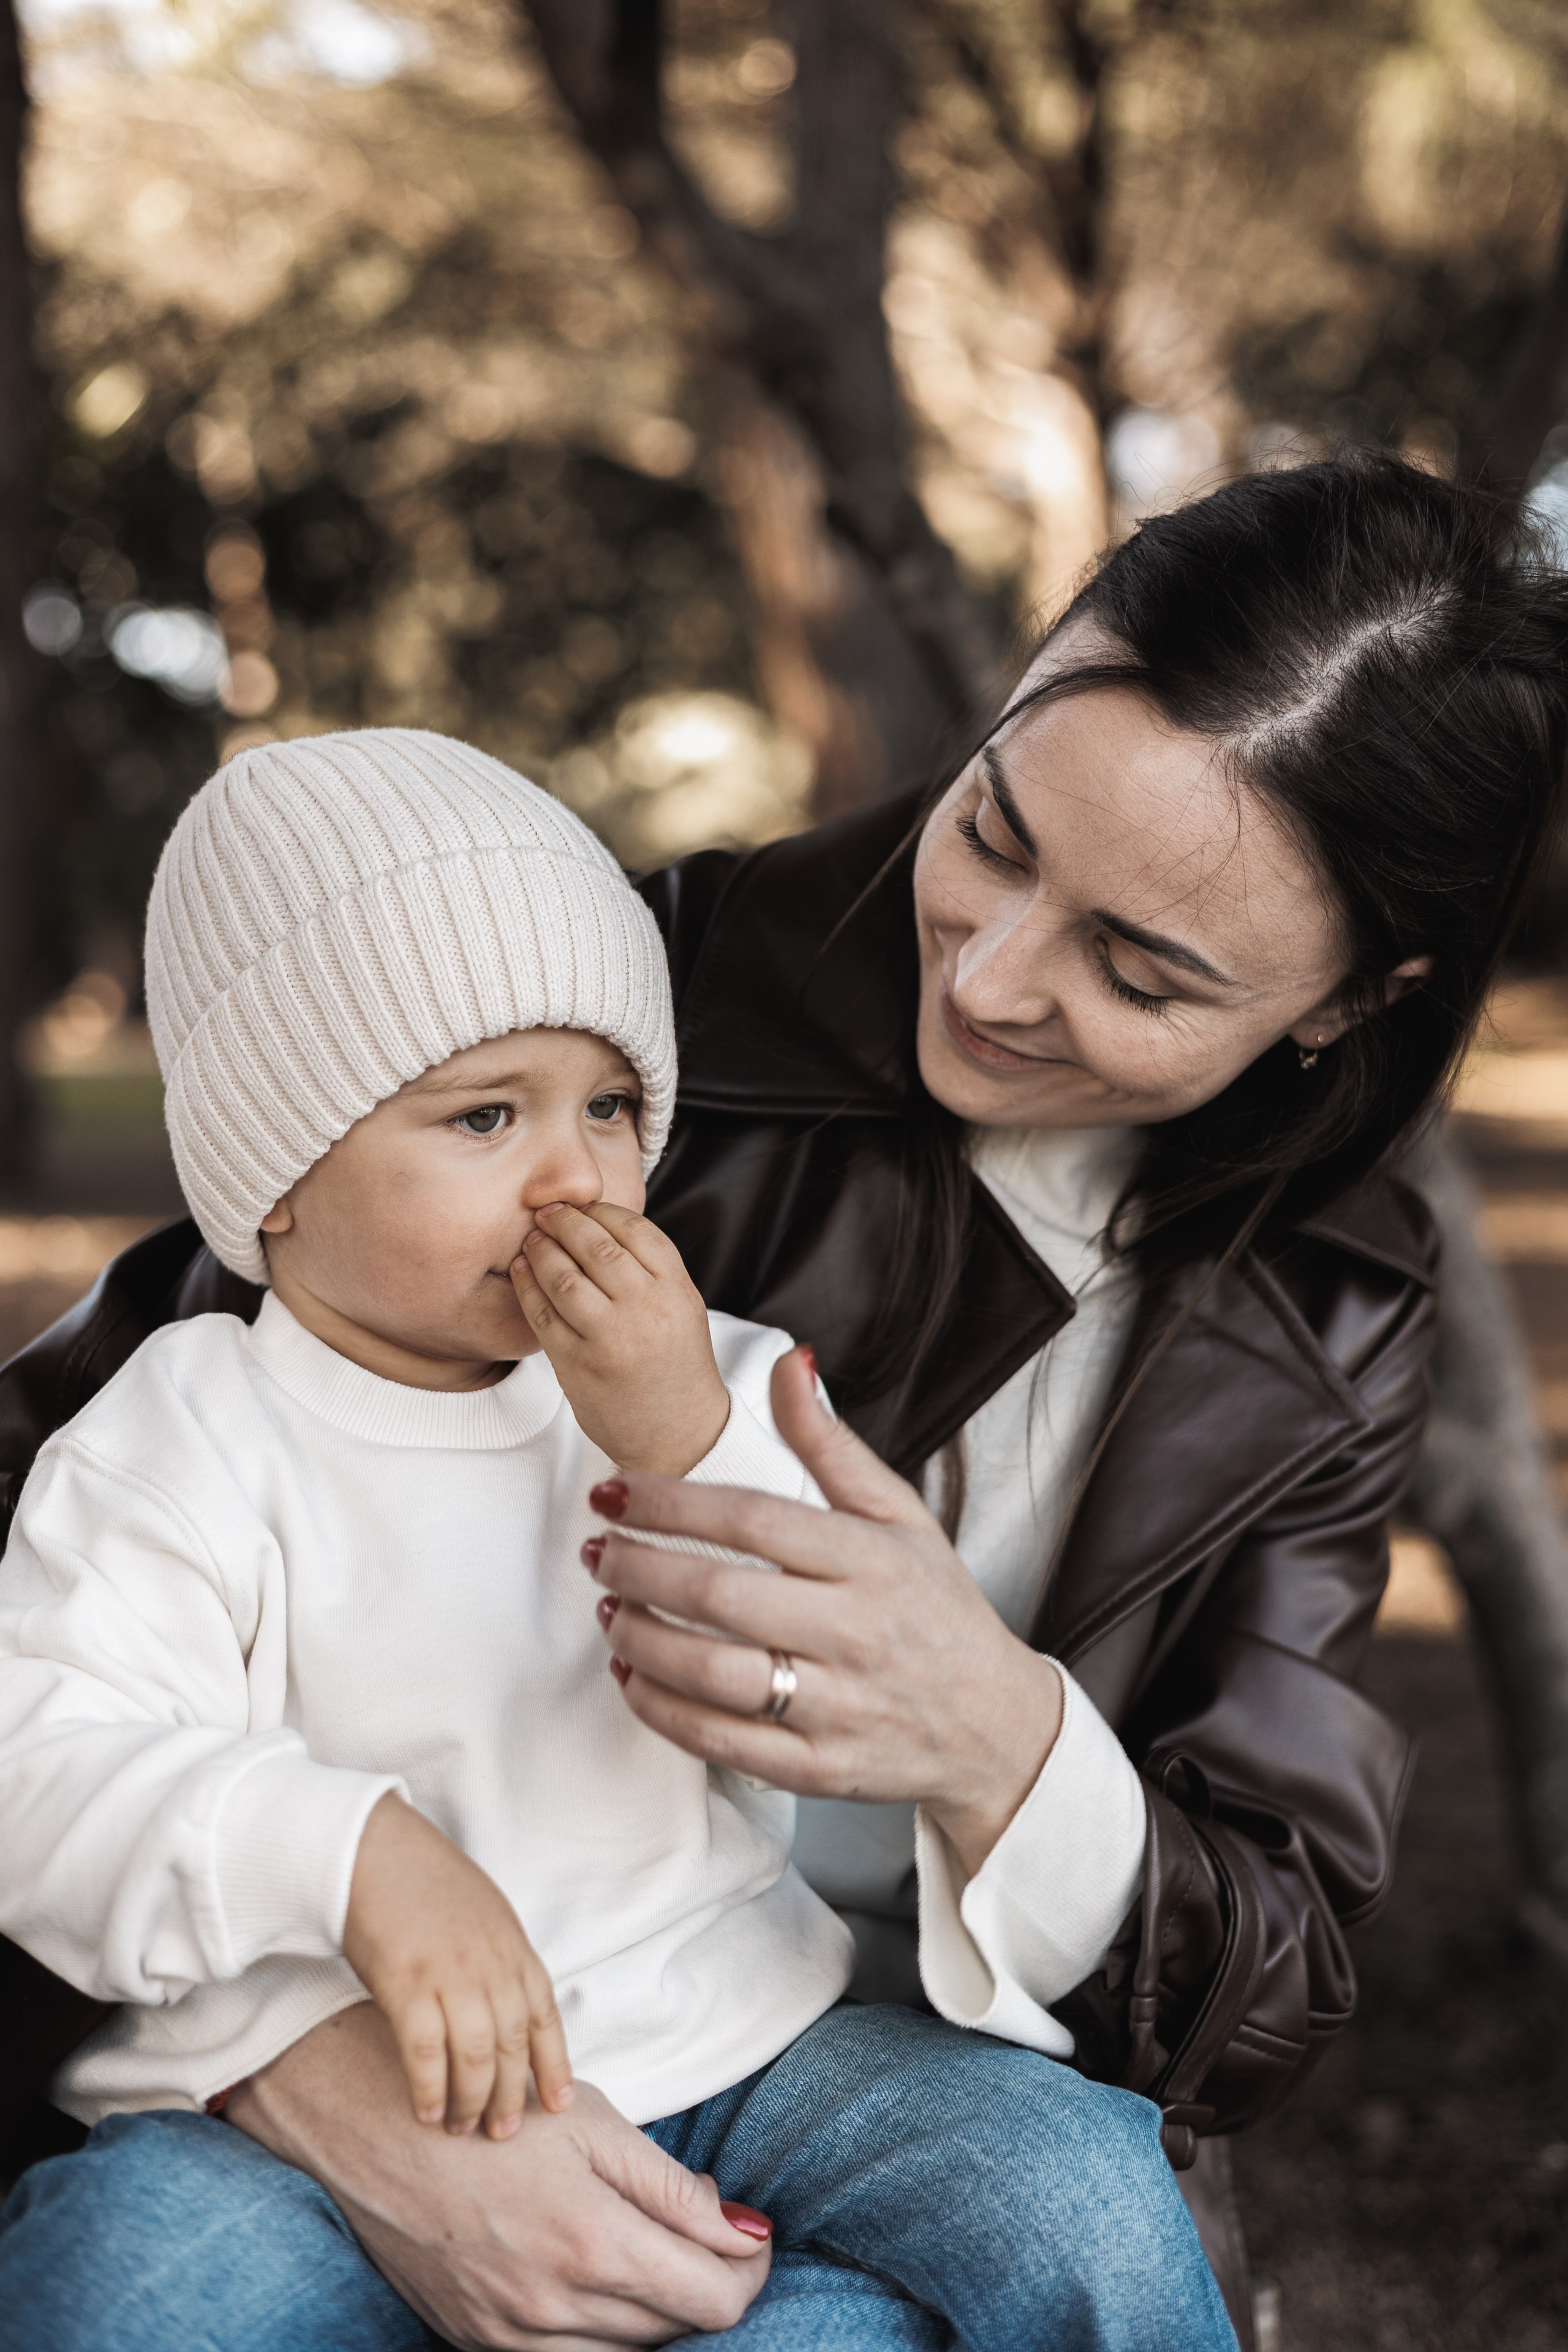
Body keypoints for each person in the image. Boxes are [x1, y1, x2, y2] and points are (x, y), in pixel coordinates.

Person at [0, 451, 1563, 2348]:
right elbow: (67, 1639)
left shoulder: (1340, 1298)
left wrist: (996, 1735)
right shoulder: (603, 987)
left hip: (824, 2079)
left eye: (1141, 967)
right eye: (993, 827)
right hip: (348, 2050)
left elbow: (1261, 1976)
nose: (987, 975)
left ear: (1345, 1002)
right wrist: (288, 2058)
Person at [0, 732, 1236, 2352]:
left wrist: (678, 1441)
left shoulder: (705, 1381)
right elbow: (44, 1773)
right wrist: (354, 1854)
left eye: (610, 1103)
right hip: (316, 2114)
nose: (577, 1171)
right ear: (276, 1174)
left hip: (745, 2043)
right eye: (486, 1116)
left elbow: (823, 1679)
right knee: (125, 2288)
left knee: (1077, 2190)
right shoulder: (182, 1441)